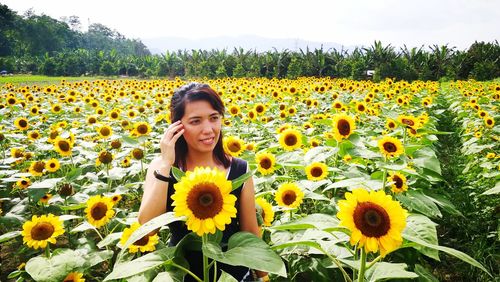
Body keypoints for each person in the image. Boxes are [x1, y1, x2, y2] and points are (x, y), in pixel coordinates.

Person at [138, 82, 268, 282]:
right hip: (183, 275)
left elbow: (250, 231)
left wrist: (263, 276)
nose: (208, 129)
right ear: (177, 126)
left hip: (233, 276)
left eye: (214, 118)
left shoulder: (240, 169)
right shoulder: (162, 168)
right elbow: (146, 228)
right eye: (195, 121)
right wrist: (166, 164)